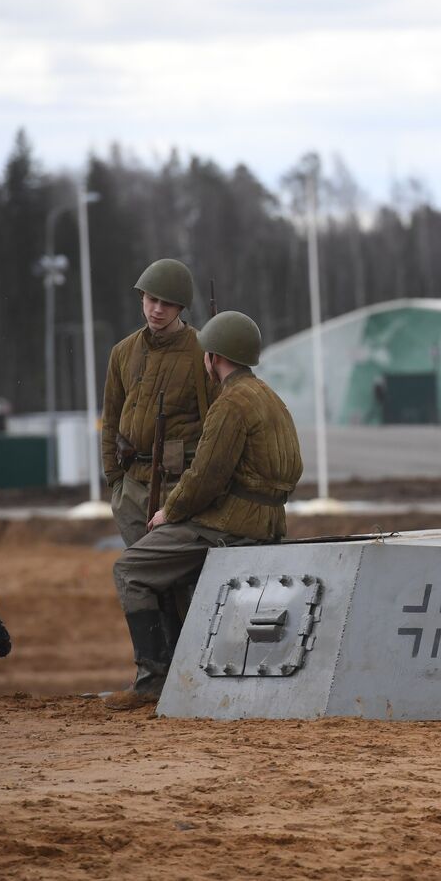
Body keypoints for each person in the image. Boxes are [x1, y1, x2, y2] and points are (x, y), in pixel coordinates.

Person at [105, 311, 304, 710]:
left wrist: (169, 512)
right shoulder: (269, 396)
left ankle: (153, 681)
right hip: (267, 519)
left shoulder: (230, 404)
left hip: (229, 524)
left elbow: (205, 478)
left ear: (213, 357)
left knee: (130, 570)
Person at [101, 258, 215, 550]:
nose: (157, 309)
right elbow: (111, 417)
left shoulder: (202, 351)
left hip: (177, 488)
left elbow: (216, 424)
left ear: (180, 308)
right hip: (130, 488)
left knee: (177, 581)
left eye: (168, 303)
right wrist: (115, 480)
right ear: (142, 298)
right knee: (142, 576)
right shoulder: (122, 352)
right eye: (152, 299)